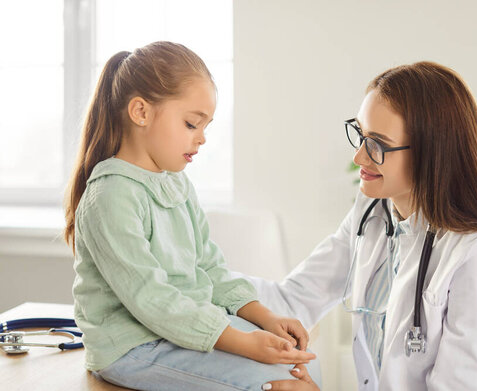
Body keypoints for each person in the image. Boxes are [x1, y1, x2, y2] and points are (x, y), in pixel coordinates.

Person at [245, 61, 477, 391]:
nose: (359, 157)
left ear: (431, 153)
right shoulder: (374, 212)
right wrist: (200, 279)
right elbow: (292, 299)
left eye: (377, 144)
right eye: (360, 135)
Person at [63, 41, 319, 391]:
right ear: (140, 112)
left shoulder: (176, 185)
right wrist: (244, 342)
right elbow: (152, 300)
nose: (201, 139)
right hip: (132, 347)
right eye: (190, 124)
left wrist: (266, 318)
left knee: (305, 370)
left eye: (205, 128)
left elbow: (210, 270)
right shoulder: (111, 196)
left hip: (180, 332)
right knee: (287, 384)